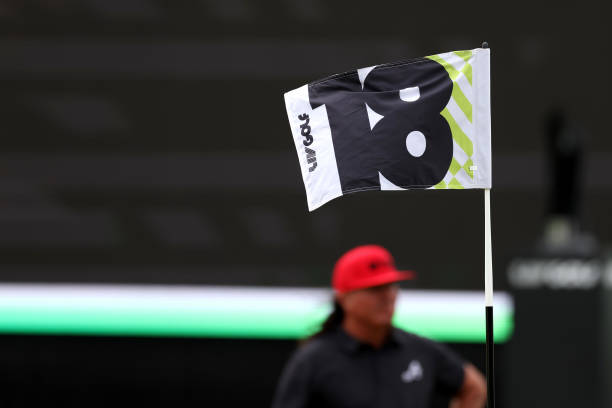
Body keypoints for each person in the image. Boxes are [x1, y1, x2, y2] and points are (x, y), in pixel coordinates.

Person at [272, 244, 487, 408]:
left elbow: (474, 387)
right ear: (343, 298)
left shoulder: (419, 349)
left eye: (391, 286)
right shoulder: (314, 360)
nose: (387, 297)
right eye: (374, 289)